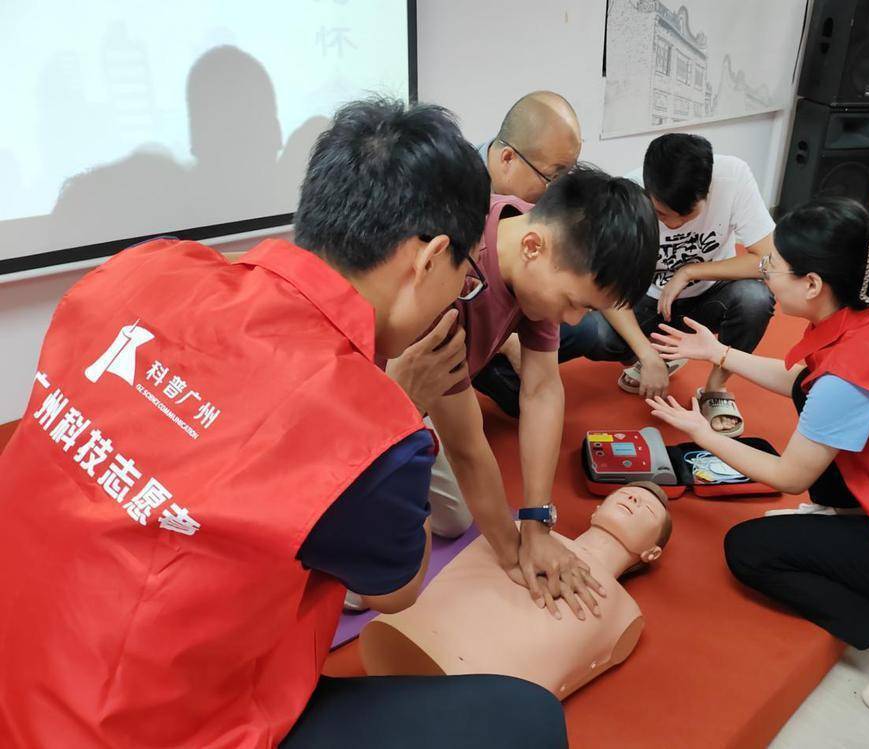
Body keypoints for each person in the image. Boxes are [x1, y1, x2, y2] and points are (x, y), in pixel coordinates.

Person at [0, 98, 567, 749]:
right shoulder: (366, 426)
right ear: (427, 258)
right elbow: (398, 586)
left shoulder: (142, 267)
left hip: (17, 672)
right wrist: (396, 404)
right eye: (465, 275)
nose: (462, 295)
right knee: (526, 720)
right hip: (136, 727)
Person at [646, 197, 869, 718]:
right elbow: (807, 382)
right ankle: (850, 522)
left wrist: (704, 433)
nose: (764, 270)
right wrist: (718, 354)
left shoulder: (849, 377)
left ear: (813, 284)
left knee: (749, 550)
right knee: (810, 395)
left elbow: (789, 476)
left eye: (774, 265)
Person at [393, 166, 660, 620]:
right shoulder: (454, 283)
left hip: (430, 386)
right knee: (383, 579)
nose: (575, 320)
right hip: (369, 392)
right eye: (575, 302)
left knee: (456, 517)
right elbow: (467, 444)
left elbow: (542, 389)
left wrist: (536, 521)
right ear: (534, 249)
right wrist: (515, 550)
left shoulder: (532, 234)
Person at [360, 483, 672, 700]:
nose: (634, 501)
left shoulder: (625, 614)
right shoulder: (516, 530)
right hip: (403, 638)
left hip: (476, 701)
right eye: (627, 494)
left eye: (648, 510)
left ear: (652, 553)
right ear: (597, 509)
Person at [560, 133, 776, 434]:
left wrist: (691, 272)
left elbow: (769, 262)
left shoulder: (733, 177)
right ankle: (648, 356)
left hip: (711, 295)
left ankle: (714, 390)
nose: (673, 224)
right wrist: (647, 355)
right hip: (645, 301)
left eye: (687, 215)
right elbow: (607, 287)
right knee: (596, 332)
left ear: (708, 191)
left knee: (757, 299)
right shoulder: (629, 193)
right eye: (662, 214)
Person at [472, 91, 582, 413]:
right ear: (507, 159)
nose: (557, 190)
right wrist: (506, 342)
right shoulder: (449, 191)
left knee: (592, 330)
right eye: (553, 176)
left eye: (568, 174)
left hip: (510, 307)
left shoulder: (540, 198)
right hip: (463, 323)